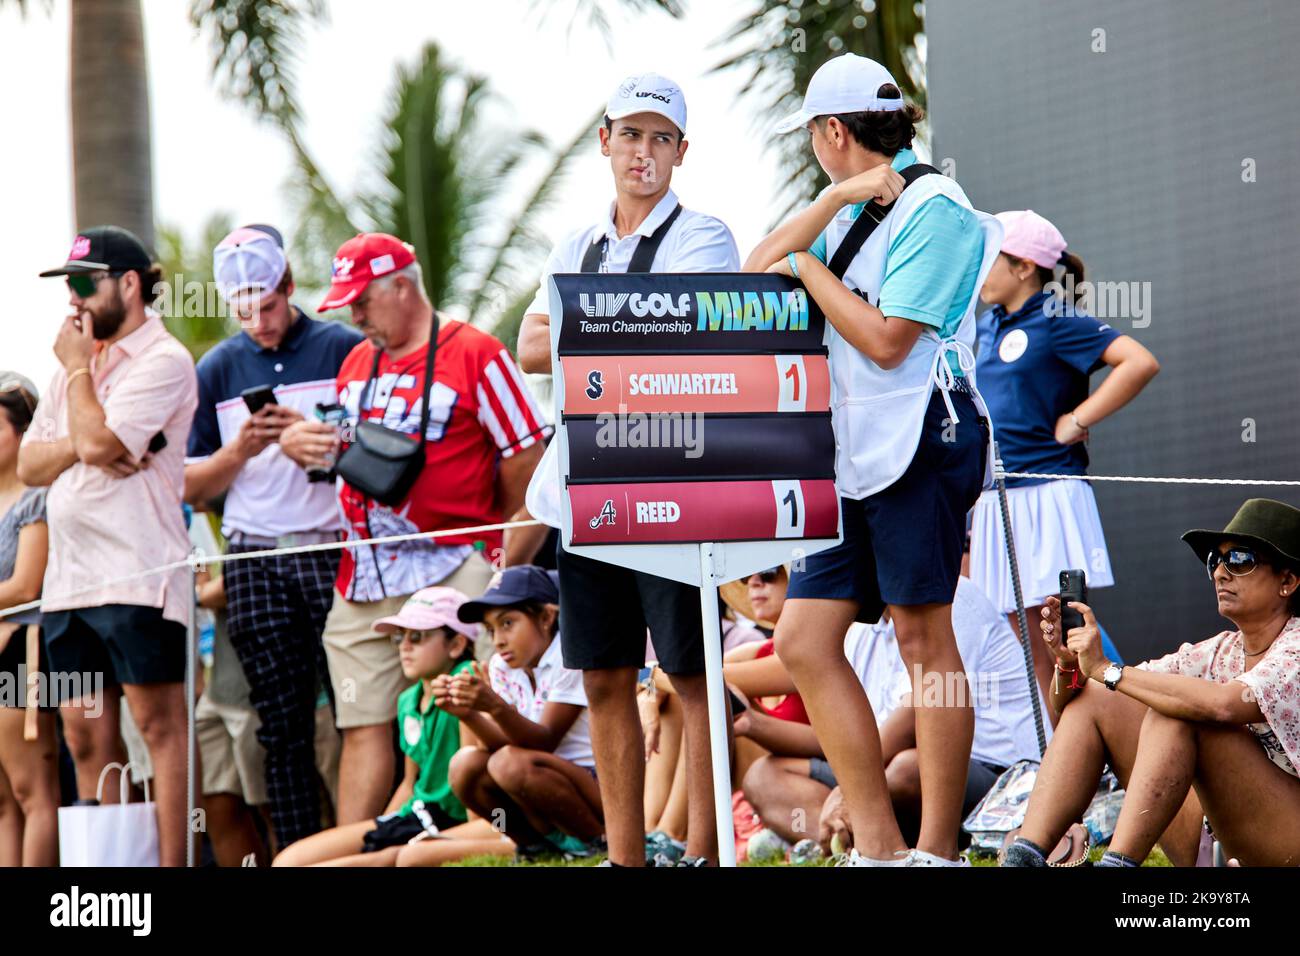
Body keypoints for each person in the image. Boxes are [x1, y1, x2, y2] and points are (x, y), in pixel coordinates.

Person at [743, 53, 1000, 865]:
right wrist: (828, 202)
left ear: (830, 131)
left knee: (926, 641)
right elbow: (750, 275)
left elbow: (890, 343)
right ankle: (880, 846)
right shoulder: (843, 201)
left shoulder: (940, 206)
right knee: (804, 641)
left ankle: (935, 851)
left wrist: (810, 265)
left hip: (926, 435)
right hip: (849, 451)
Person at [515, 73, 741, 867]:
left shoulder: (704, 236)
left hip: (670, 482)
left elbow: (684, 342)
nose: (644, 152)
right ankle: (625, 859)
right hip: (582, 484)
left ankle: (707, 855)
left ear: (682, 152)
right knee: (605, 676)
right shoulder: (574, 242)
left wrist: (599, 328)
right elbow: (528, 347)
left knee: (691, 674)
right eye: (631, 135)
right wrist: (622, 328)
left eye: (661, 138)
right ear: (604, 141)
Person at [279, 233, 547, 823]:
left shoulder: (476, 352)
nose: (353, 316)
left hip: (455, 565)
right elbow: (350, 456)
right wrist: (305, 445)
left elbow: (528, 465)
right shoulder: (355, 362)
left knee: (470, 708)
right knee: (363, 723)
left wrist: (498, 566)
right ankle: (359, 847)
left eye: (361, 301)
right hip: (361, 577)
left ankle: (479, 840)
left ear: (401, 286)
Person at [19, 226, 199, 867]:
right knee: (86, 738)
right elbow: (33, 463)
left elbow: (96, 448)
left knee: (159, 730)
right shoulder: (76, 368)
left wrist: (78, 387)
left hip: (139, 573)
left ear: (128, 283)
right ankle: (113, 884)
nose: (73, 300)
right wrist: (87, 438)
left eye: (83, 283)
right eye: (69, 285)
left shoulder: (164, 360)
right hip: (70, 586)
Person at [184, 225, 362, 850]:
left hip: (332, 545)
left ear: (289, 285)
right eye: (242, 311)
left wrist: (315, 439)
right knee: (279, 723)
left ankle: (361, 848)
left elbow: (382, 448)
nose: (257, 322)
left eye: (267, 305)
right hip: (254, 556)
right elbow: (190, 483)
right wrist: (243, 448)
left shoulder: (344, 347)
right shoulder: (218, 368)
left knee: (354, 711)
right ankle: (298, 853)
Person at [1003, 499, 1300, 867]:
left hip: (1288, 840)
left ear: (1287, 581)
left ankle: (1117, 864)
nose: (1221, 573)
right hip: (1218, 837)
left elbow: (1224, 704)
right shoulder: (1219, 650)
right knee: (1099, 696)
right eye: (1215, 562)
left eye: (1239, 560)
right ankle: (1023, 857)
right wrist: (1069, 665)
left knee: (1174, 712)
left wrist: (1107, 670)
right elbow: (1080, 700)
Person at [969, 210, 1159, 702]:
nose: (978, 270)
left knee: (1067, 630)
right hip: (998, 497)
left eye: (990, 259)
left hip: (1048, 491)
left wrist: (1079, 419)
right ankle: (1072, 759)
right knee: (1029, 638)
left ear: (1024, 266)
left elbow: (1138, 361)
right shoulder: (984, 328)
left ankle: (1124, 735)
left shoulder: (1056, 319)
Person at [742, 575, 1047, 855]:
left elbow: (913, 720)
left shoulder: (951, 595)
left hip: (998, 777)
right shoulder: (862, 626)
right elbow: (845, 737)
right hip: (890, 768)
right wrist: (753, 724)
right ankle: (852, 843)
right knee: (763, 776)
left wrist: (849, 789)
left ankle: (916, 846)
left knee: (908, 767)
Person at [273, 587, 480, 867]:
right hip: (416, 815)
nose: (404, 646)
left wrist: (460, 844)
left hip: (453, 823)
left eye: (416, 636)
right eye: (399, 637)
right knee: (288, 861)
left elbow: (473, 783)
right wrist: (383, 830)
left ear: (456, 644)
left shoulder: (466, 682)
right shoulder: (408, 699)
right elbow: (410, 783)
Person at [435, 566, 601, 861]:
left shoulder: (569, 656)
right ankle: (535, 844)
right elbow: (501, 747)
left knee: (508, 764)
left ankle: (594, 839)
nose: (498, 640)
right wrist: (468, 714)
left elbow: (544, 741)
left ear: (547, 618)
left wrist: (494, 706)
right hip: (535, 775)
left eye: (507, 623)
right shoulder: (502, 666)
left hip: (594, 784)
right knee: (464, 766)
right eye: (490, 630)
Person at [0, 373, 59, 867]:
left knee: (33, 792)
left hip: (24, 652)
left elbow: (26, 586)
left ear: (22, 431)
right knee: (2, 802)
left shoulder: (36, 497)